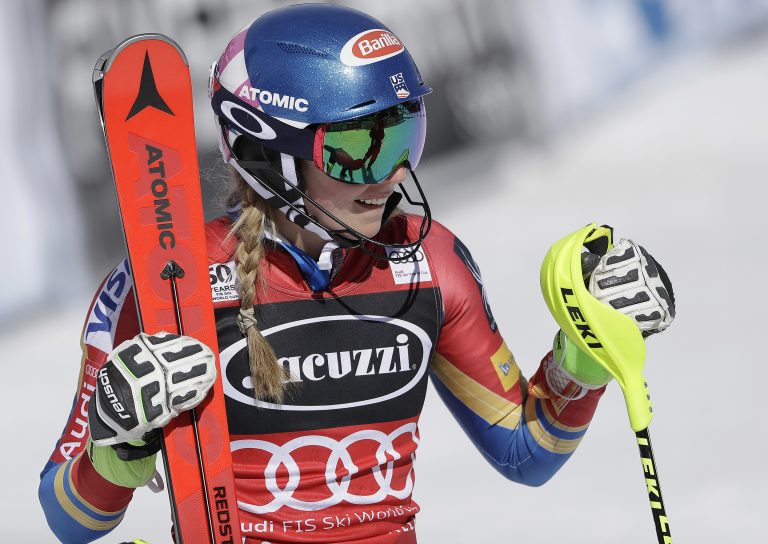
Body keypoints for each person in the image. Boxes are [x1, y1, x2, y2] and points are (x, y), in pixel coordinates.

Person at [38, 4, 675, 544]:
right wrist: (118, 446)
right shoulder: (167, 281)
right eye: (355, 149)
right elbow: (67, 517)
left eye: (403, 138)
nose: (390, 175)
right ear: (269, 153)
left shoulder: (430, 263)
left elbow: (523, 452)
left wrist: (583, 358)